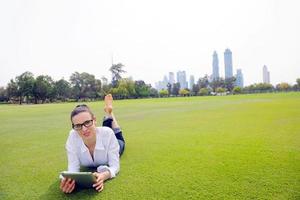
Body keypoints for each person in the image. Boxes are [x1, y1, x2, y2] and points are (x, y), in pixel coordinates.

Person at [60, 94, 125, 193]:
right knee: (100, 130)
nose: (84, 129)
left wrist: (104, 176)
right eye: (78, 125)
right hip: (100, 132)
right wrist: (68, 181)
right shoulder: (73, 136)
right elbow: (72, 169)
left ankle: (110, 113)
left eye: (87, 122)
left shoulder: (108, 134)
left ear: (94, 120)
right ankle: (107, 114)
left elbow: (115, 166)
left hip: (116, 143)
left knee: (118, 137)